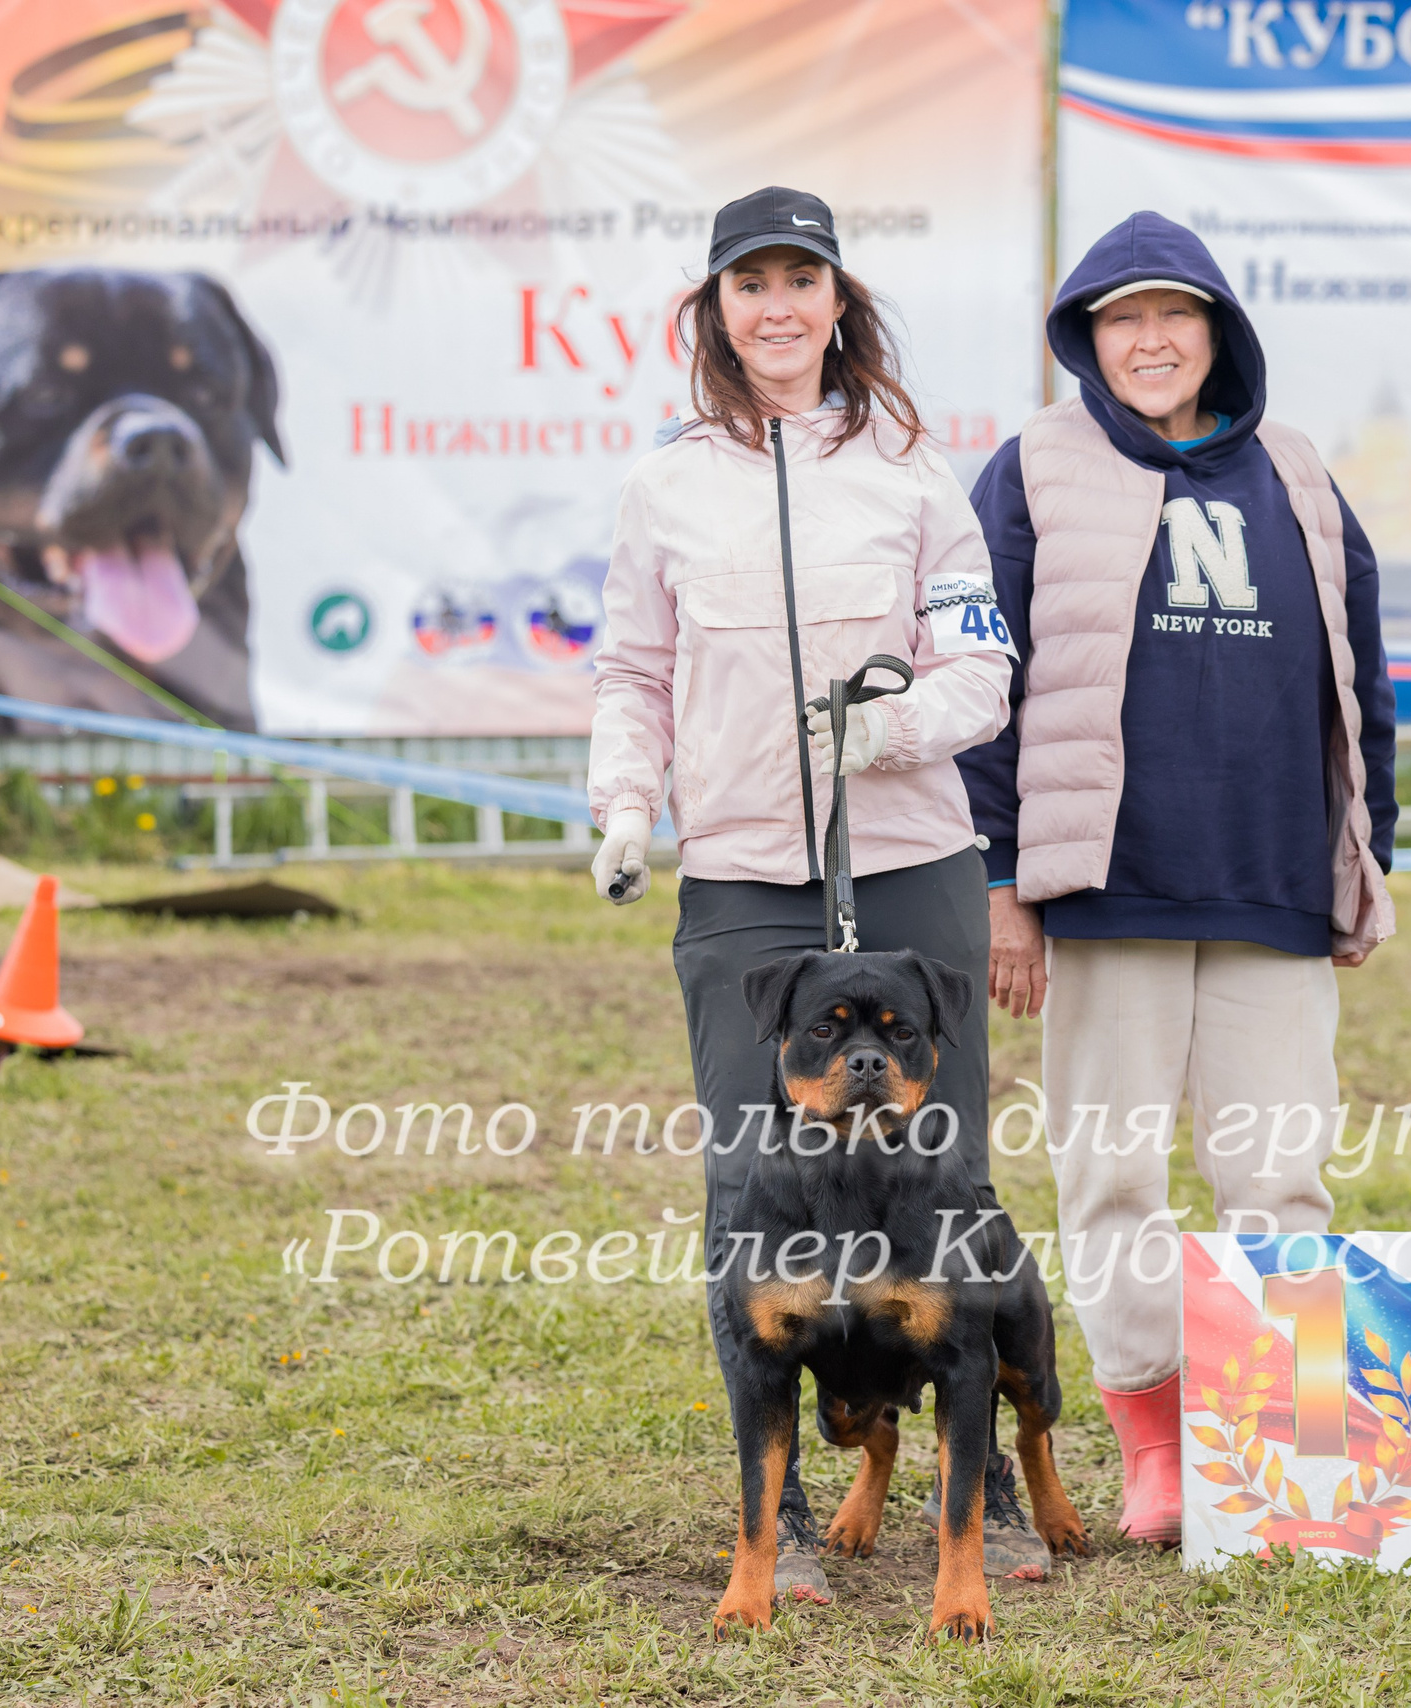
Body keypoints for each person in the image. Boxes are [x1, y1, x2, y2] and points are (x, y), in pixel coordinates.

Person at [585, 186, 1044, 1600]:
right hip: (739, 877)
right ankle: (775, 1525)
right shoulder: (665, 482)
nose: (777, 308)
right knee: (750, 1182)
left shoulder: (914, 468)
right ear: (714, 311)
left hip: (909, 866)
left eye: (802, 281)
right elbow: (632, 673)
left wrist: (893, 732)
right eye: (749, 286)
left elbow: (981, 663)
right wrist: (621, 802)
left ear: (840, 301)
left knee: (943, 1169)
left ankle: (992, 1499)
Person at [957, 211, 1399, 1546]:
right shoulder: (1033, 469)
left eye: (1177, 314)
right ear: (1088, 340)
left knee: (1281, 1175)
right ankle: (1157, 1448)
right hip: (1108, 885)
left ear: (1220, 331)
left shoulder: (1302, 474)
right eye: (1121, 318)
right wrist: (1001, 879)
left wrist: (1362, 860)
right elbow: (991, 683)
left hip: (1268, 882)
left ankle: (1301, 1449)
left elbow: (1359, 683)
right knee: (1114, 1177)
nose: (1151, 340)